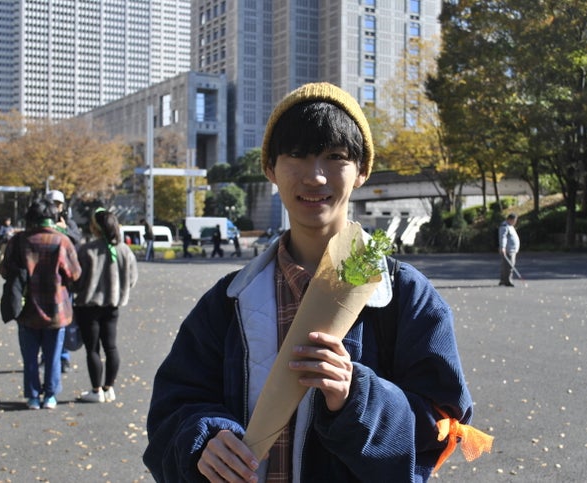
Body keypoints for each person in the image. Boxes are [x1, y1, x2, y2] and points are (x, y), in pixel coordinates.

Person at [143, 82, 474, 481]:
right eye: (296, 155)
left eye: (335, 157)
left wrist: (356, 398)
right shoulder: (227, 302)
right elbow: (172, 408)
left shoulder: (406, 296)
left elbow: (440, 426)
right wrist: (204, 439)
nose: (315, 177)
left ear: (362, 171)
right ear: (271, 169)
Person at [0, 199, 81, 409]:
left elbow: (4, 271)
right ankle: (51, 396)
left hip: (27, 309)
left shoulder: (18, 241)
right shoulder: (62, 241)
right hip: (57, 310)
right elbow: (74, 274)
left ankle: (33, 396)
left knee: (30, 357)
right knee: (53, 356)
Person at [74, 208, 138, 403]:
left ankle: (96, 390)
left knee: (92, 349)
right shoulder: (124, 250)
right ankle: (109, 387)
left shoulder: (87, 250)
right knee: (111, 347)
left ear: (96, 228)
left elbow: (77, 281)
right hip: (113, 305)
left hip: (88, 306)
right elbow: (132, 279)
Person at [47, 189, 83, 373]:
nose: (55, 207)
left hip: (64, 282)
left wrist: (64, 229)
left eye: (58, 204)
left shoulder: (68, 223)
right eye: (52, 203)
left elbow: (77, 241)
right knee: (43, 321)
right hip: (43, 280)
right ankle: (47, 356)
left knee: (64, 320)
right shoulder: (42, 222)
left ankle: (63, 357)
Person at [499, 213, 520, 287]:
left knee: (506, 265)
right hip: (509, 249)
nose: (515, 222)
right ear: (509, 219)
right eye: (514, 220)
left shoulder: (510, 226)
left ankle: (503, 280)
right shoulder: (505, 227)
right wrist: (503, 247)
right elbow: (503, 238)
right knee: (509, 266)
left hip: (512, 249)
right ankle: (508, 280)